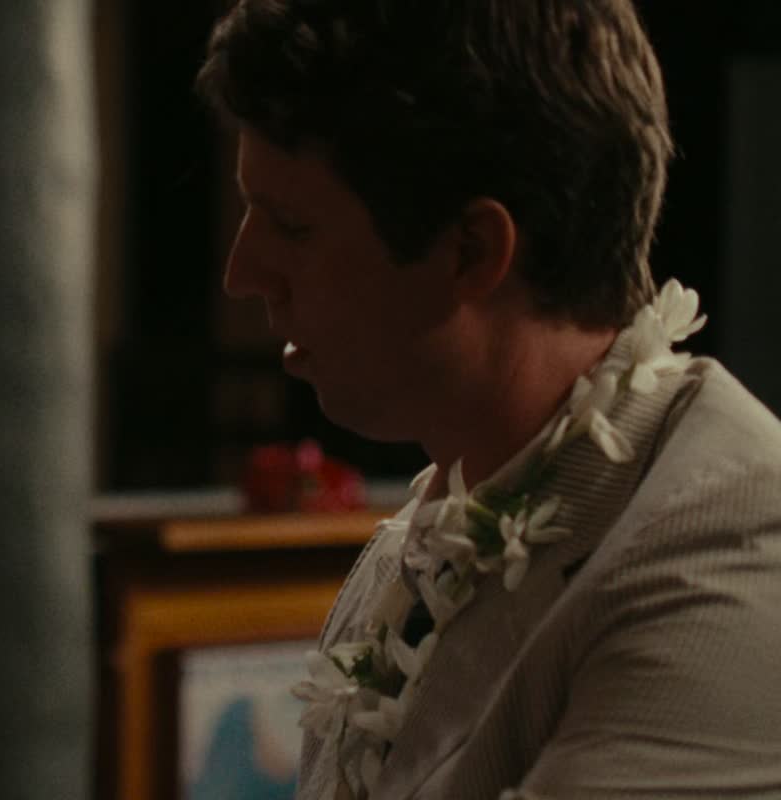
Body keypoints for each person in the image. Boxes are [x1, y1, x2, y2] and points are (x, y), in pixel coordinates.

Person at [197, 0, 781, 797]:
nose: (243, 274)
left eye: (292, 226)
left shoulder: (729, 550)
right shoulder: (434, 528)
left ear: (471, 251)